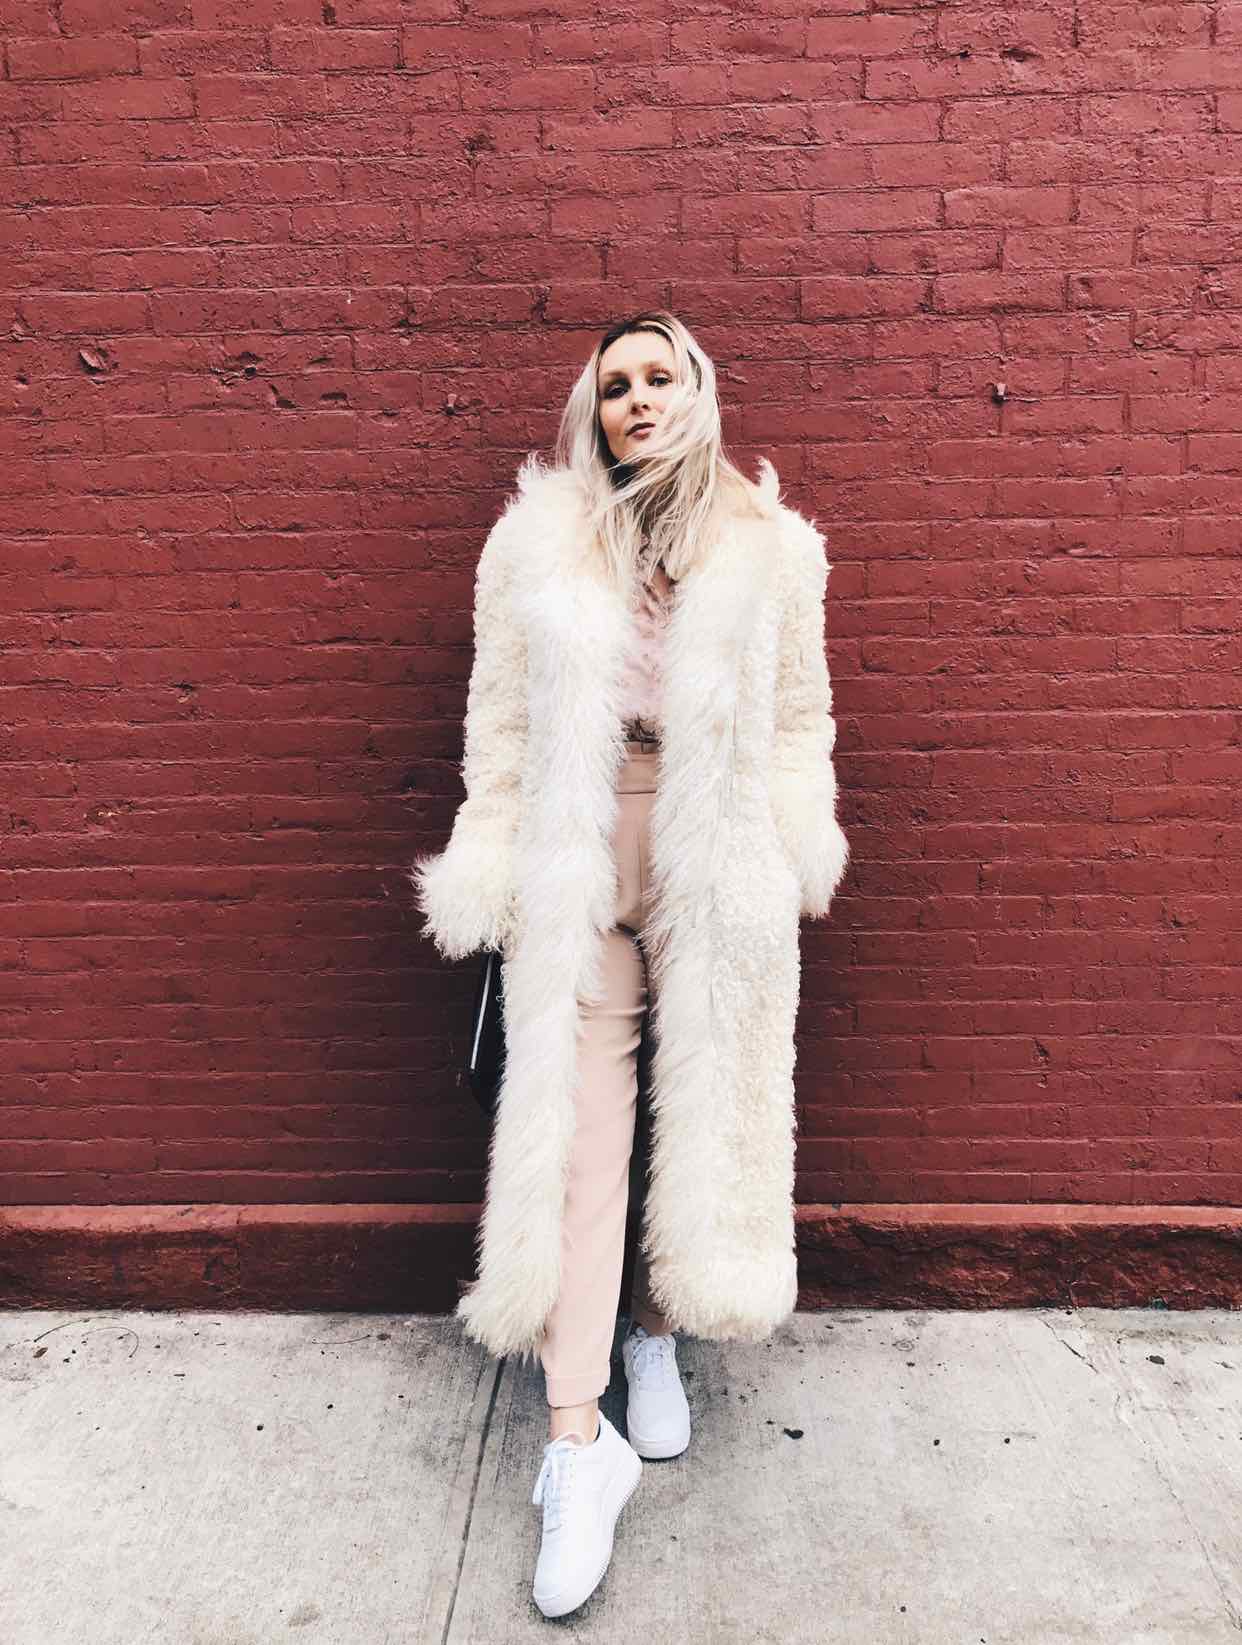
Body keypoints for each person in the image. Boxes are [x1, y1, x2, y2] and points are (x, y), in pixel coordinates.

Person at [411, 310, 849, 1619]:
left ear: (699, 394)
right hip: (584, 842)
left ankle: (656, 1334)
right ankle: (573, 1435)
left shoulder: (770, 548)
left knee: (692, 1108)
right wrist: (491, 853)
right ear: (592, 409)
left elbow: (801, 717)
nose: (639, 400)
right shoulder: (533, 542)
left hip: (715, 848)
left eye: (662, 377)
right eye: (617, 385)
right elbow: (497, 720)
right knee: (580, 1126)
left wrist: (792, 844)